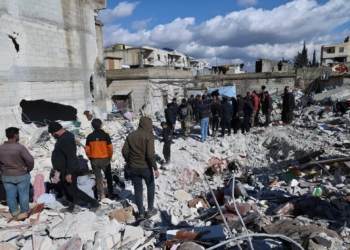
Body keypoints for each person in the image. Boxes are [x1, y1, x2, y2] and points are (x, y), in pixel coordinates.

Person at [49, 122, 100, 213]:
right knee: (66, 188)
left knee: (73, 190)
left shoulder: (65, 140)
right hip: (65, 168)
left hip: (69, 168)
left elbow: (71, 156)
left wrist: (69, 173)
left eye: (52, 133)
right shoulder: (67, 136)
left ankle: (94, 203)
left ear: (56, 131)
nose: (52, 136)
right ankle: (72, 206)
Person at [122, 117, 159, 219]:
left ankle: (141, 213)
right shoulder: (149, 135)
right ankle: (150, 210)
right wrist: (155, 168)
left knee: (138, 190)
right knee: (150, 186)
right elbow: (150, 154)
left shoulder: (131, 135)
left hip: (134, 167)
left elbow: (124, 151)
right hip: (146, 167)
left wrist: (128, 161)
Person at [0, 127, 34, 217]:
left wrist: (2, 170)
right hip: (21, 174)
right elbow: (30, 160)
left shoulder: (1, 148)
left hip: (6, 175)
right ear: (15, 135)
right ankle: (25, 212)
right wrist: (28, 169)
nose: (18, 136)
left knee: (10, 195)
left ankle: (14, 212)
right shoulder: (20, 148)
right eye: (18, 134)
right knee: (23, 194)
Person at [85, 119, 114, 200]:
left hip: (94, 159)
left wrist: (90, 157)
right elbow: (110, 148)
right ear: (100, 125)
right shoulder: (106, 135)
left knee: (98, 177)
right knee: (108, 176)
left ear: (92, 126)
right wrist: (110, 156)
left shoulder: (90, 136)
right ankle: (110, 193)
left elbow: (87, 149)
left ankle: (102, 194)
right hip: (105, 159)